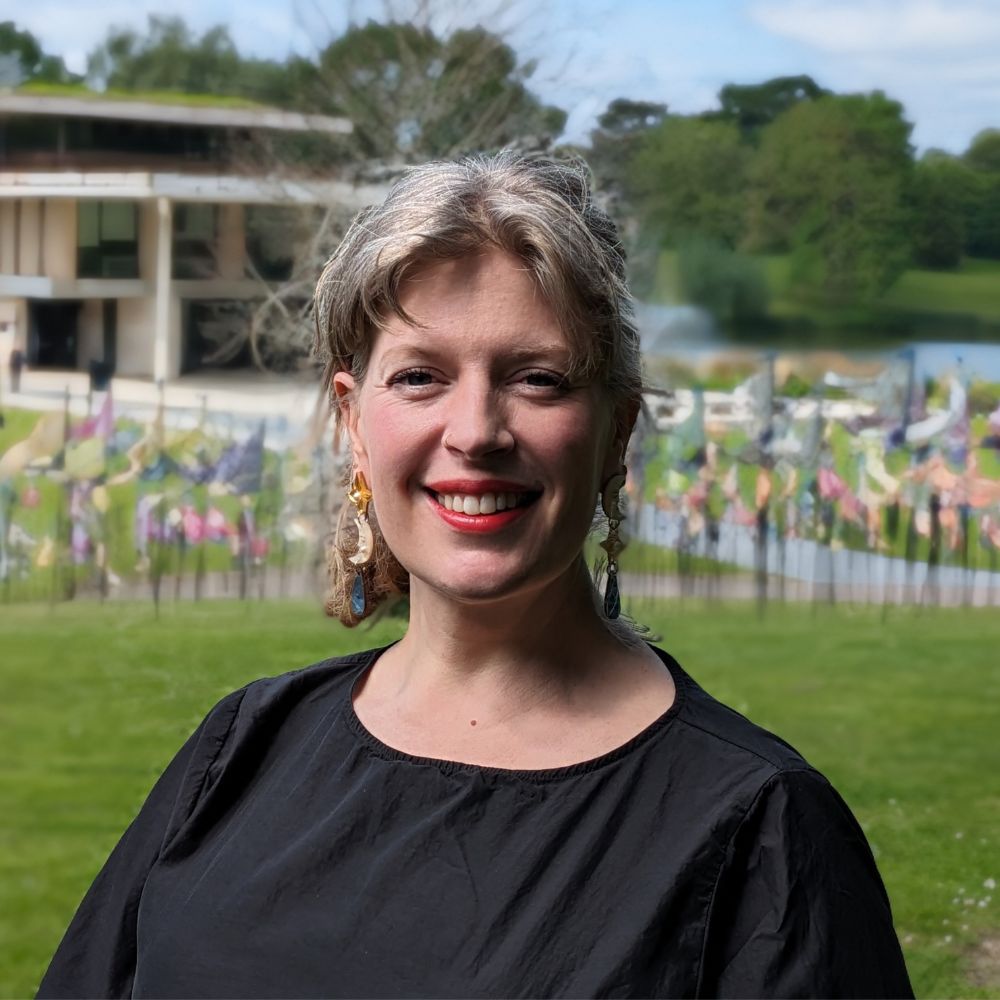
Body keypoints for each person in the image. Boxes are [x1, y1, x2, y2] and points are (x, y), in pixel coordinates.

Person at [38, 152, 913, 999]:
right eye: (419, 377)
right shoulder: (242, 749)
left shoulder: (761, 825)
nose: (475, 430)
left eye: (537, 379)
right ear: (353, 420)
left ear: (616, 430)